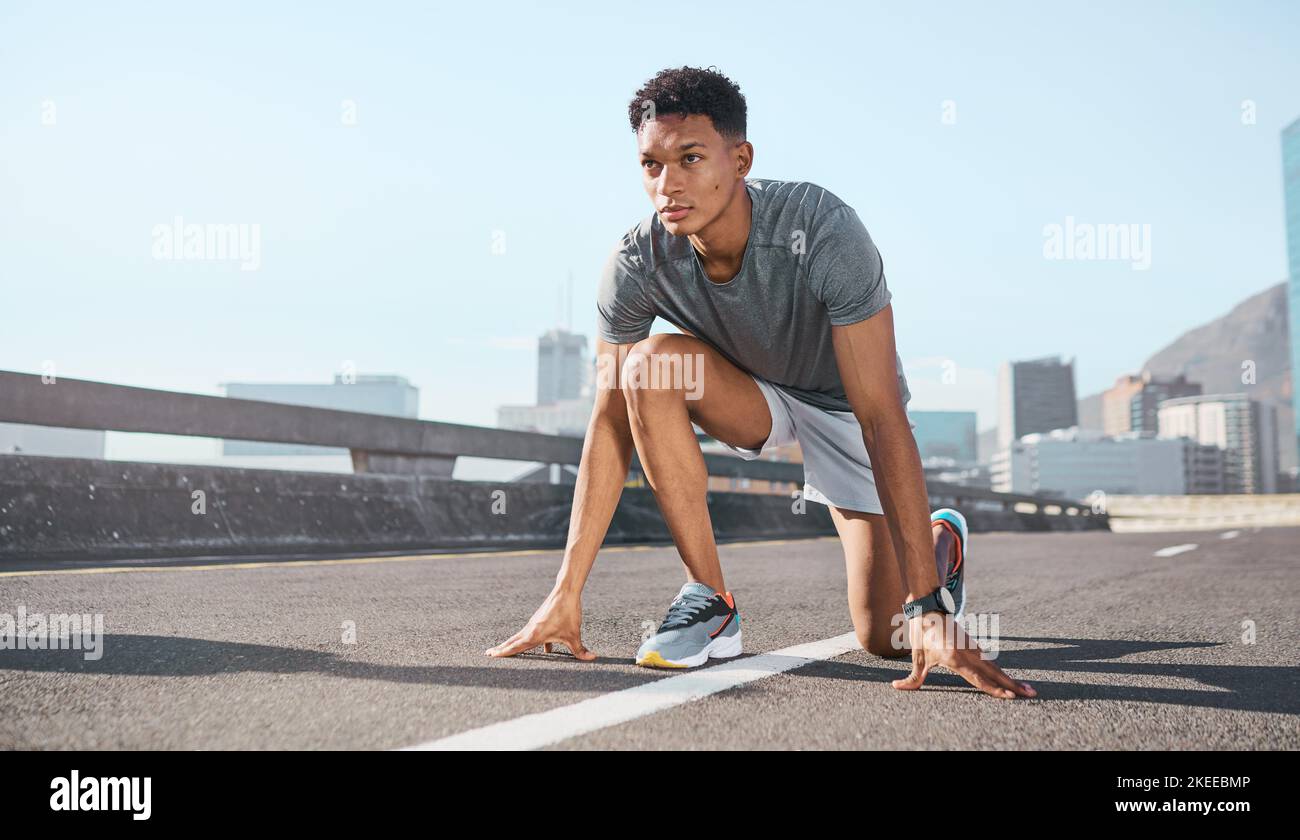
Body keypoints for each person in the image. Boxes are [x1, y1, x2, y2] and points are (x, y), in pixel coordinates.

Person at [486, 66, 1036, 700]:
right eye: (651, 165)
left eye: (690, 158)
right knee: (648, 366)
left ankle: (941, 547)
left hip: (843, 407)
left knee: (885, 637)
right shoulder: (637, 264)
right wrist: (565, 592)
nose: (668, 185)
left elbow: (883, 416)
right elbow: (610, 424)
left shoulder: (823, 229)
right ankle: (709, 600)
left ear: (740, 158)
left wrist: (928, 604)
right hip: (748, 395)